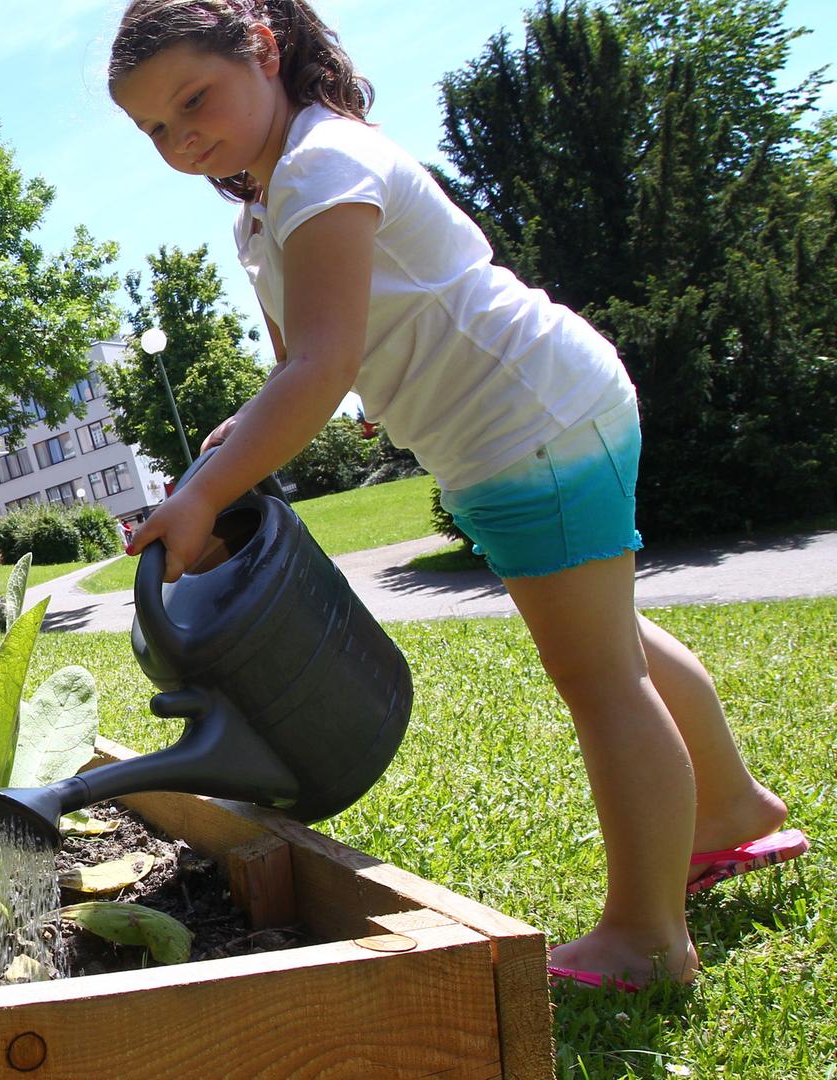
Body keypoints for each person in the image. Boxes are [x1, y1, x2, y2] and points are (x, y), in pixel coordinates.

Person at [110, 0, 803, 991]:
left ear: (263, 49)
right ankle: (731, 809)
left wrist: (218, 481)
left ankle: (649, 940)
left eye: (194, 99)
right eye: (156, 128)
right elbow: (303, 368)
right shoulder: (269, 205)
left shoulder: (321, 165)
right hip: (517, 426)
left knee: (602, 680)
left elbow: (319, 364)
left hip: (532, 425)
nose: (182, 138)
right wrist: (232, 449)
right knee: (616, 641)